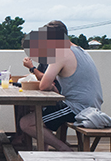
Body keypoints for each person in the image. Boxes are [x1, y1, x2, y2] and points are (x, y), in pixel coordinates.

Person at [18, 20, 103, 151]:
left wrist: (50, 86)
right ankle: (44, 150)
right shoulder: (80, 50)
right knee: (40, 114)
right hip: (91, 105)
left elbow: (44, 85)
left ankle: (64, 149)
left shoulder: (61, 53)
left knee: (27, 123)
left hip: (78, 107)